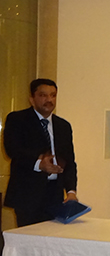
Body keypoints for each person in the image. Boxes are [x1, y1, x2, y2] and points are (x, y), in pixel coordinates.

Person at [3, 78, 78, 227]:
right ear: (32, 99)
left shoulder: (63, 126)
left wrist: (71, 192)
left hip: (55, 196)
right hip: (27, 195)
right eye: (43, 95)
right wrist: (39, 164)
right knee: (29, 243)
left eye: (53, 95)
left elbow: (69, 161)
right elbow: (13, 150)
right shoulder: (17, 120)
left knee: (52, 242)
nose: (49, 100)